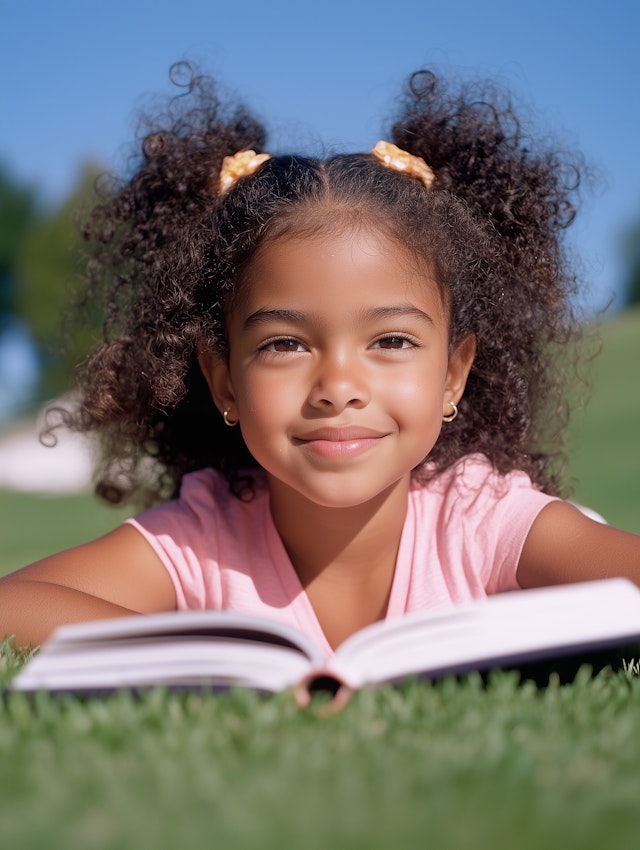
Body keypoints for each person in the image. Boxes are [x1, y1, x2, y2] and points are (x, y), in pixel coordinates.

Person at [1, 64, 639, 652]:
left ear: (452, 374)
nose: (338, 386)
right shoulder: (205, 538)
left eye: (390, 341)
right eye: (285, 344)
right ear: (223, 378)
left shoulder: (482, 521)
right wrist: (204, 653)